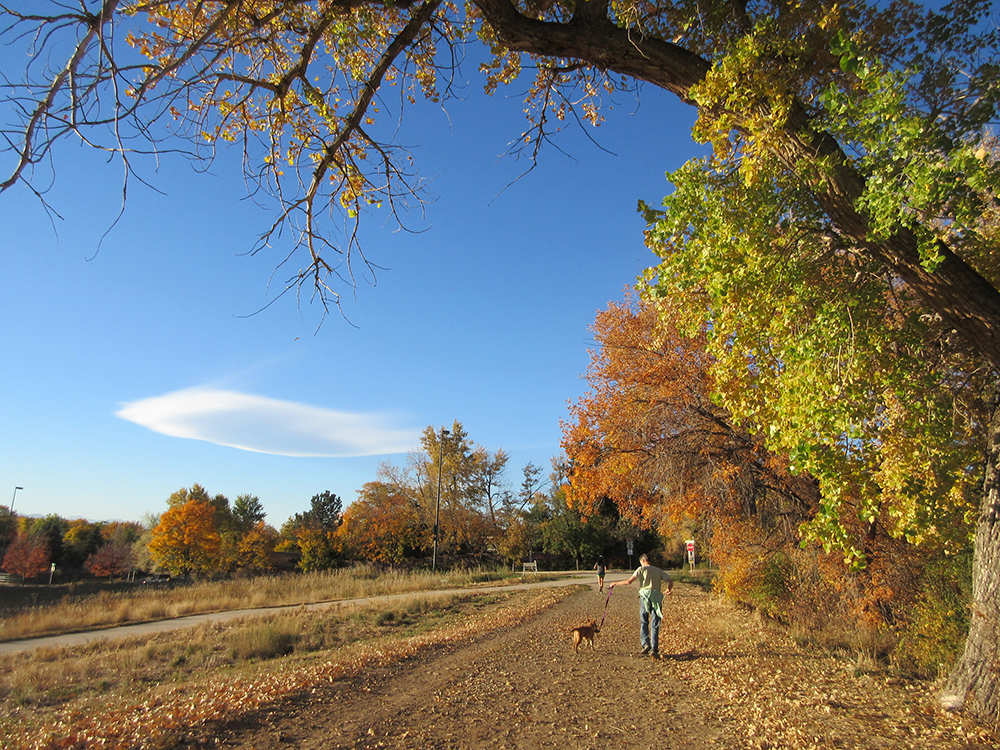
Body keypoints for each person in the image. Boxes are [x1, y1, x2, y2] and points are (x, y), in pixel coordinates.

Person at [608, 553, 673, 658]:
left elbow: (629, 581)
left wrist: (615, 583)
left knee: (644, 621)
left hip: (645, 596)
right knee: (655, 623)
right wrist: (668, 590)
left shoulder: (641, 569)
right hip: (656, 597)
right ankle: (654, 648)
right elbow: (670, 580)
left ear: (643, 561)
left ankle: (645, 643)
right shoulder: (658, 570)